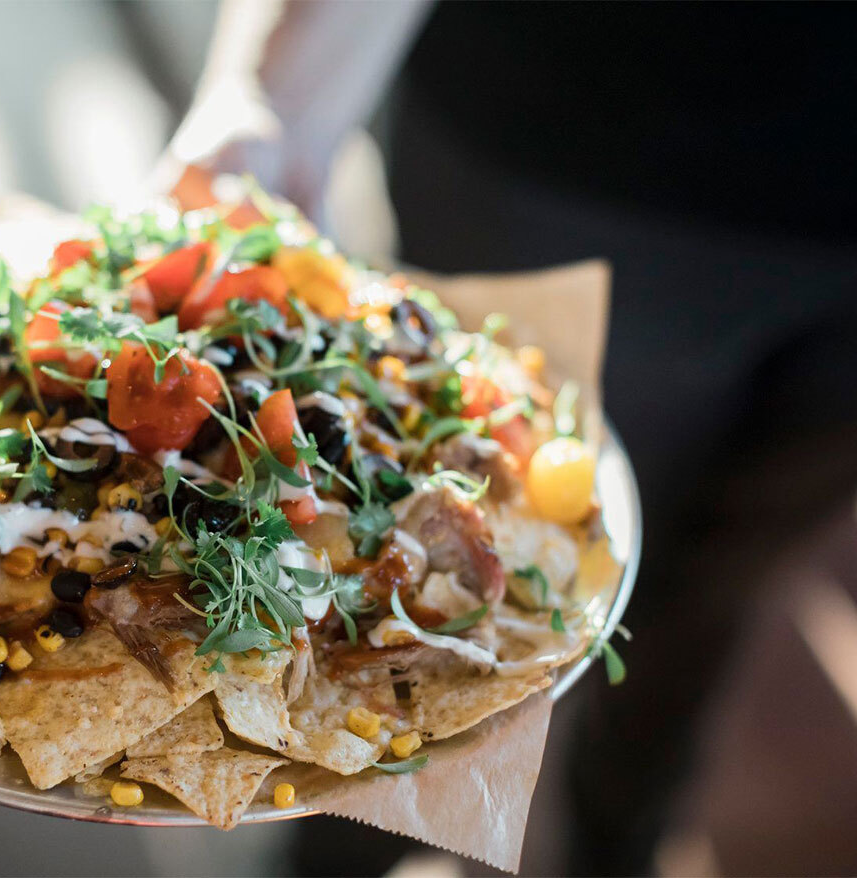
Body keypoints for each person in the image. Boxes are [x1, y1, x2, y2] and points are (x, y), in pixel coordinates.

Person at [160, 3, 857, 874]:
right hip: (570, 153)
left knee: (713, 606)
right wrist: (273, 98)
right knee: (401, 633)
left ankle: (617, 847)